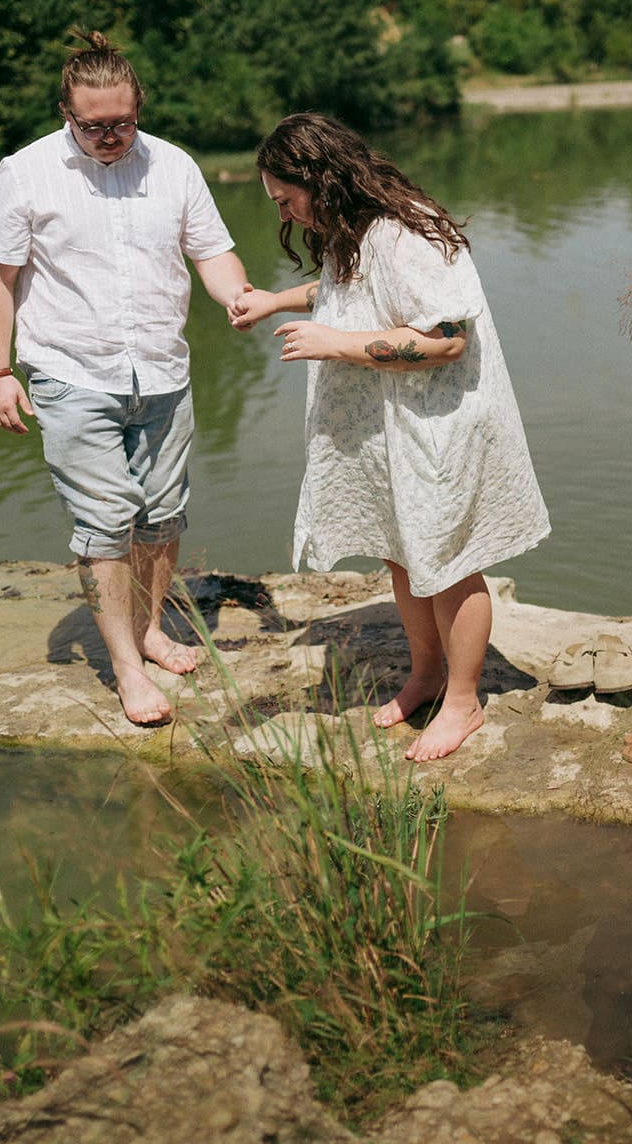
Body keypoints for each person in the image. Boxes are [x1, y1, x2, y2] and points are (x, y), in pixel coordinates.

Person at [228, 112, 549, 761]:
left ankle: (463, 701)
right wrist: (274, 300)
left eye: (286, 199)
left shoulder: (407, 232)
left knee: (451, 564)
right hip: (390, 429)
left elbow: (446, 340)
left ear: (320, 179)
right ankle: (426, 676)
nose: (285, 216)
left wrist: (334, 343)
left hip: (441, 429)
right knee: (403, 553)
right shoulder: (358, 228)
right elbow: (346, 289)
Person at [0, 31, 249, 727]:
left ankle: (152, 627)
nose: (109, 136)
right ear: (66, 113)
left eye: (121, 122)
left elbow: (212, 251)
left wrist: (241, 298)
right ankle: (127, 669)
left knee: (160, 513)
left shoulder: (175, 166)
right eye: (92, 126)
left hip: (163, 372)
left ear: (139, 105)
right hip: (71, 374)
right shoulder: (26, 171)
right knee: (104, 523)